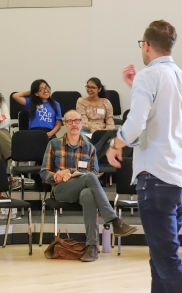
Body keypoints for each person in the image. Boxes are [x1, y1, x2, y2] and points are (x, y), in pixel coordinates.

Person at [106, 20, 182, 291]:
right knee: (160, 260)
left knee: (167, 262)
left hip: (156, 178)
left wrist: (116, 143)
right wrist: (135, 87)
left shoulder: (148, 77)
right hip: (178, 179)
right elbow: (161, 118)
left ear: (147, 45)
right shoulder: (179, 76)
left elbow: (137, 122)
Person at [41, 109, 138, 262]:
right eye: (70, 121)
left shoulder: (89, 147)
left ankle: (92, 247)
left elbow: (95, 172)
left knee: (88, 194)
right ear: (65, 124)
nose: (74, 124)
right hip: (61, 189)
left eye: (77, 121)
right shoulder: (54, 144)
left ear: (82, 123)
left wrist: (71, 172)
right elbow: (43, 173)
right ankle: (115, 221)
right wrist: (56, 175)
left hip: (82, 190)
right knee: (90, 178)